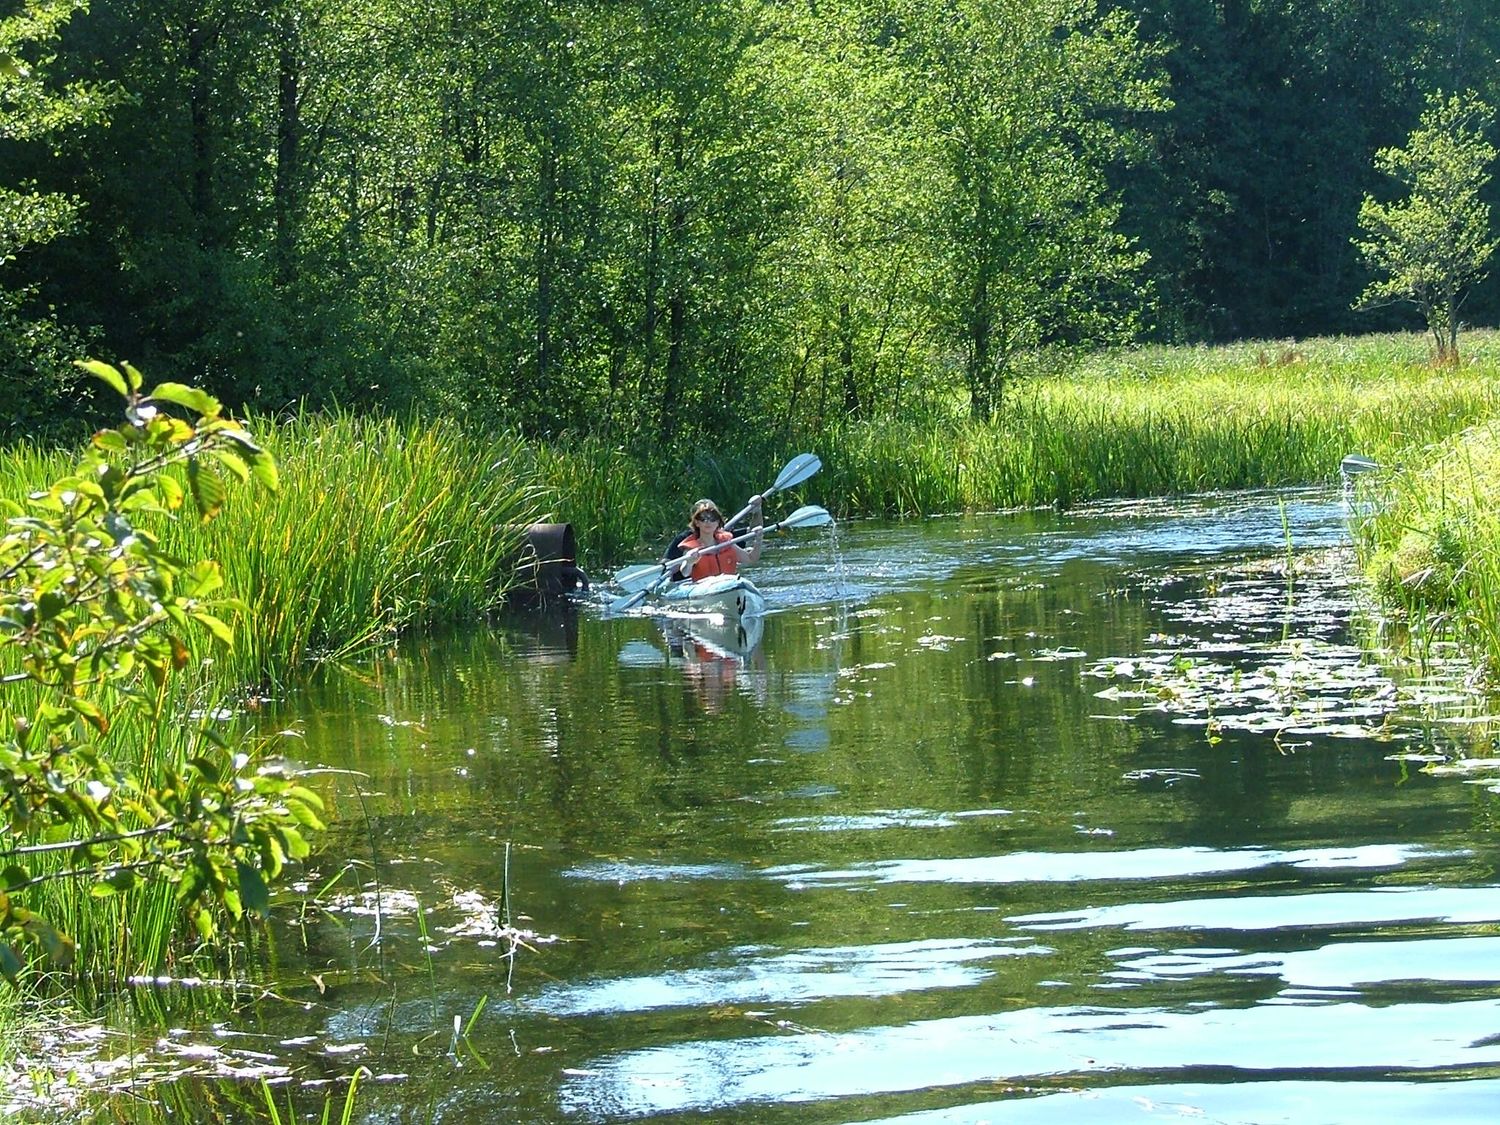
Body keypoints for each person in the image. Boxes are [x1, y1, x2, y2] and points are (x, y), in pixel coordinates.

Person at [671, 496, 763, 581]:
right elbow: (685, 572)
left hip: (729, 584)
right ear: (697, 523)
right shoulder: (691, 549)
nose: (708, 522)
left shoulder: (726, 543)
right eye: (703, 518)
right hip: (705, 590)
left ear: (718, 522)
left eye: (712, 518)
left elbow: (751, 559)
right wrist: (689, 562)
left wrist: (758, 540)